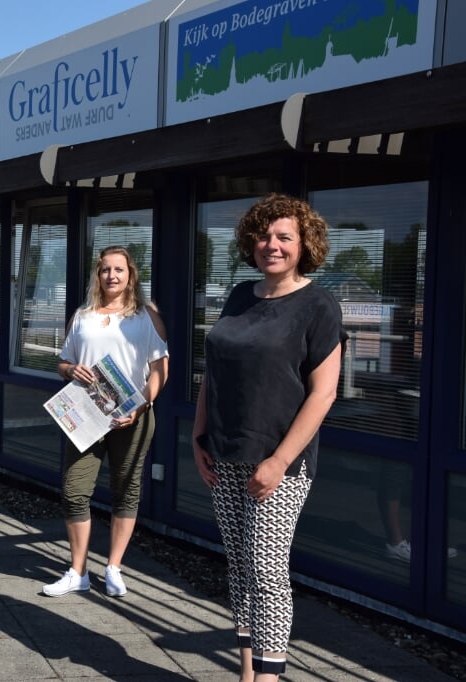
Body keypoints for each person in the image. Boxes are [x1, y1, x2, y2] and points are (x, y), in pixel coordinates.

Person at [192, 194, 345, 682]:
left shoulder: (319, 305)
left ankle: (270, 677)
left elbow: (323, 395)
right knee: (239, 566)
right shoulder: (240, 295)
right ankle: (246, 671)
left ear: (305, 245)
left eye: (284, 237)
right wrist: (199, 436)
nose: (271, 245)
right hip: (224, 452)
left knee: (267, 570)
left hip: (279, 462)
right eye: (263, 236)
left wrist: (279, 460)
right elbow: (213, 373)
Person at [43, 245, 169, 598]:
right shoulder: (82, 315)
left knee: (125, 490)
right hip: (85, 417)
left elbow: (160, 369)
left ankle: (113, 567)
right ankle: (78, 571)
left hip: (131, 417)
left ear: (130, 275)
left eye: (119, 270)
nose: (111, 276)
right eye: (105, 270)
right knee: (73, 491)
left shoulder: (146, 316)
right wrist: (71, 369)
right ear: (96, 275)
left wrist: (142, 406)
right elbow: (63, 363)